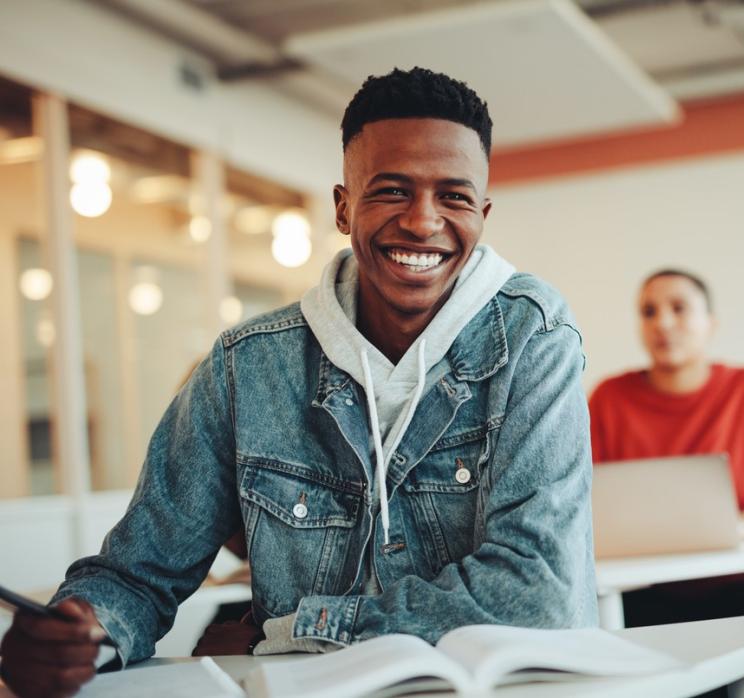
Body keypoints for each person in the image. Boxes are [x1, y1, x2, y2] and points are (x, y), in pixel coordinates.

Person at [0, 67, 597, 697]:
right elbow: (138, 573)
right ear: (343, 207)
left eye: (453, 196)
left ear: (482, 211)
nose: (424, 223)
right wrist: (81, 629)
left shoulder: (534, 335)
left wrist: (295, 629)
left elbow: (539, 595)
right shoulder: (246, 366)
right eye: (392, 191)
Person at [587, 268, 744, 698]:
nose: (662, 322)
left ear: (710, 324)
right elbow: (583, 503)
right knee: (603, 641)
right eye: (649, 311)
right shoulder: (608, 398)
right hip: (646, 588)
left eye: (679, 308)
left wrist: (734, 529)